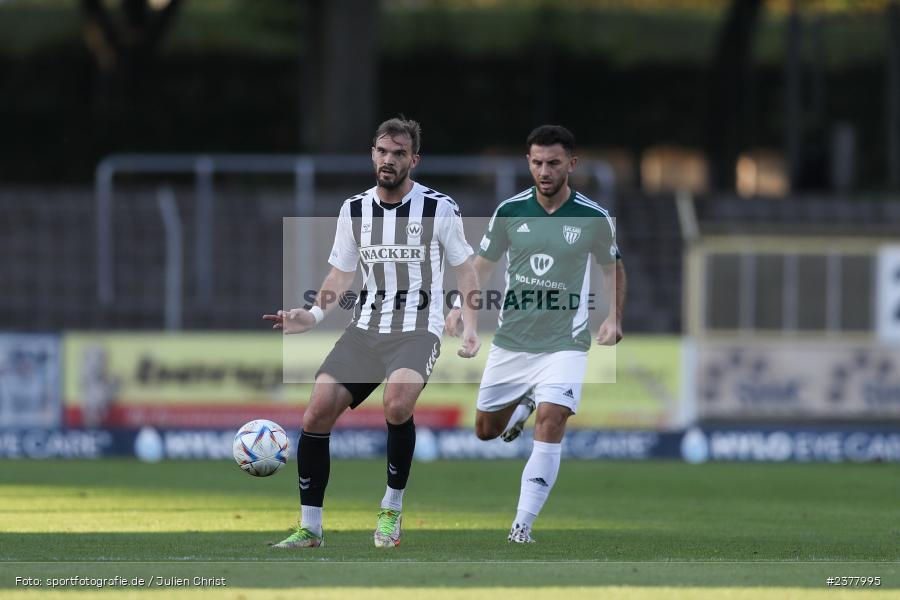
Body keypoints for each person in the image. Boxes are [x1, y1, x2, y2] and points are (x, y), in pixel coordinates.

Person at [264, 117, 480, 549]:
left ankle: (390, 511)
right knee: (316, 413)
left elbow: (466, 269)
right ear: (372, 154)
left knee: (397, 404)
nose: (388, 160)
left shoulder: (440, 207)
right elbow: (340, 276)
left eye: (399, 153)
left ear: (413, 160)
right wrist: (311, 316)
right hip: (366, 328)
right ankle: (310, 527)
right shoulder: (354, 209)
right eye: (382, 151)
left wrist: (468, 321)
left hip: (419, 328)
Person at [446, 124, 626, 543]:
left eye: (554, 163)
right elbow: (481, 269)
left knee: (552, 419)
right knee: (486, 431)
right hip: (513, 341)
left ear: (572, 164)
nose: (545, 171)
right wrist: (463, 315)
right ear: (529, 162)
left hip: (566, 342)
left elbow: (611, 268)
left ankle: (521, 524)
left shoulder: (593, 218)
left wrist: (614, 317)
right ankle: (526, 399)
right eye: (538, 162)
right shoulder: (510, 211)